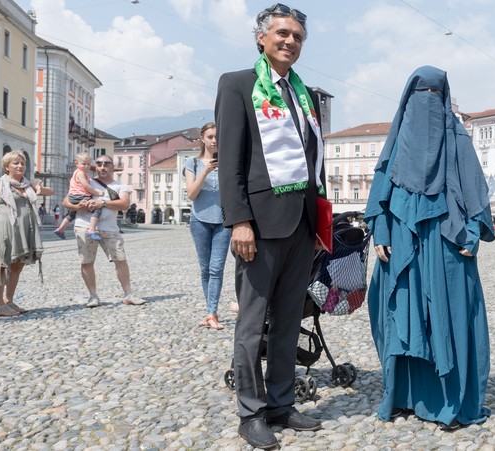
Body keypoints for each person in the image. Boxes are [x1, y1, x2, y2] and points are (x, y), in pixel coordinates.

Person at [216, 4, 325, 449]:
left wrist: (320, 221)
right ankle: (251, 411)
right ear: (261, 38)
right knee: (252, 323)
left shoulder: (306, 94)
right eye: (282, 33)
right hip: (258, 226)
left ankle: (281, 403)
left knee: (288, 321)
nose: (290, 41)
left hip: (301, 223)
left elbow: (315, 160)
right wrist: (239, 219)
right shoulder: (238, 85)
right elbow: (231, 160)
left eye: (298, 36)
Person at [365, 66, 495, 428]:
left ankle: (451, 397)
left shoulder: (457, 139)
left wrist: (471, 233)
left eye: (436, 96)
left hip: (448, 244)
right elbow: (381, 195)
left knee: (450, 315)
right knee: (402, 315)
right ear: (408, 100)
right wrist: (380, 233)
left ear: (445, 101)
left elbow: (474, 190)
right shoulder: (396, 144)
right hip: (400, 245)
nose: (428, 103)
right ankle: (405, 395)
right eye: (421, 95)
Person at [62, 155, 145, 308]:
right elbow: (66, 200)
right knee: (86, 262)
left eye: (106, 164)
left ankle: (128, 294)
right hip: (84, 226)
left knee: (120, 260)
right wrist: (77, 207)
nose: (102, 167)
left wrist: (102, 203)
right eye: (99, 164)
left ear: (113, 167)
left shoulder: (120, 186)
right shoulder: (86, 180)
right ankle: (93, 296)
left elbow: (124, 204)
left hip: (110, 228)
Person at [0, 150, 54, 317]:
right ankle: (0, 305)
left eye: (22, 163)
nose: (20, 166)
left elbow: (50, 192)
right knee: (1, 265)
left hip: (24, 229)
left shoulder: (28, 185)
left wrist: (39, 187)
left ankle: (9, 300)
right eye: (16, 163)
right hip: (4, 227)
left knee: (18, 265)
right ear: (7, 167)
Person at [183, 122, 234, 329]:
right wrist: (206, 171)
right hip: (200, 221)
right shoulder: (192, 163)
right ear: (202, 138)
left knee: (216, 268)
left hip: (223, 221)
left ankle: (212, 313)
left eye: (218, 137)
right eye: (211, 137)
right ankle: (209, 310)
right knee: (205, 269)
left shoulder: (229, 163)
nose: (214, 141)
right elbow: (191, 194)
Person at [54, 153, 106, 241]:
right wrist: (97, 192)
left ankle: (60, 229)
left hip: (73, 197)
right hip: (80, 196)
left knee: (72, 213)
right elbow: (86, 186)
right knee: (97, 208)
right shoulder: (80, 173)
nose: (86, 166)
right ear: (76, 163)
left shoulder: (77, 173)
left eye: (89, 164)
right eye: (84, 164)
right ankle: (92, 230)